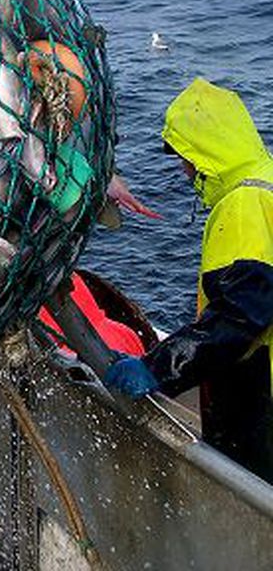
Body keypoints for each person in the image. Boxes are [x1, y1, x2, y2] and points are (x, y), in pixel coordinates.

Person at [104, 78, 273, 484]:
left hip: (260, 395)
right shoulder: (264, 179)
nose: (181, 170)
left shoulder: (241, 206)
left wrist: (159, 367)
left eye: (183, 157)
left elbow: (240, 318)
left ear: (202, 155)